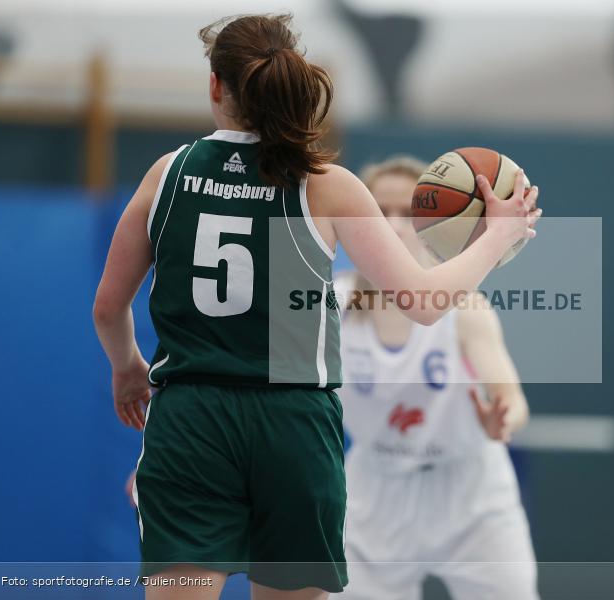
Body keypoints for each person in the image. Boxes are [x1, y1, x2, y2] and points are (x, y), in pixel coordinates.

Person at [92, 13, 540, 600]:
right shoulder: (324, 183)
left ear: (215, 86)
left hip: (191, 417)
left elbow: (108, 306)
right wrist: (497, 237)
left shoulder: (167, 174)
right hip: (292, 424)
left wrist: (127, 368)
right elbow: (426, 303)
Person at [334, 157, 539, 600]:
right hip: (376, 489)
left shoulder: (466, 308)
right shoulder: (331, 306)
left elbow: (512, 397)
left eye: (407, 213)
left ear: (434, 224)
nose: (392, 224)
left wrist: (503, 419)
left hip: (470, 491)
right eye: (379, 211)